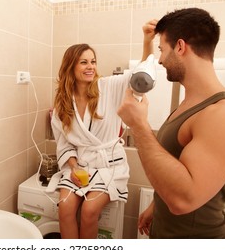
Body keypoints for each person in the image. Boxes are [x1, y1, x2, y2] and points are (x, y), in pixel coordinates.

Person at [118, 8, 225, 238]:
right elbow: (179, 166)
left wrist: (139, 125)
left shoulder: (224, 114)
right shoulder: (189, 103)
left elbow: (184, 199)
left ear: (180, 46)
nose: (161, 59)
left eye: (162, 50)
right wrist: (156, 206)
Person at [47, 30, 153, 238]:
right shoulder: (63, 104)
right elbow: (64, 143)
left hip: (109, 166)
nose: (90, 67)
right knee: (65, 206)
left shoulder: (109, 87)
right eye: (83, 62)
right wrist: (74, 167)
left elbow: (140, 75)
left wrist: (147, 42)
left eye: (93, 61)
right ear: (71, 67)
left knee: (89, 210)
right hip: (82, 165)